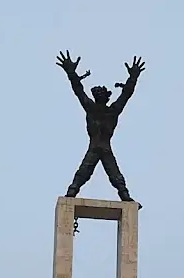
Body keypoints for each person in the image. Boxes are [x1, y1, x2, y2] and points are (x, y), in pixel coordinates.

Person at [56, 51, 145, 203]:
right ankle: (72, 192)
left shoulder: (111, 111)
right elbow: (78, 90)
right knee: (85, 171)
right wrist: (71, 73)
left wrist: (133, 78)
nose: (98, 95)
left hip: (103, 147)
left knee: (113, 173)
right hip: (97, 146)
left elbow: (126, 94)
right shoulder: (92, 108)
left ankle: (124, 195)